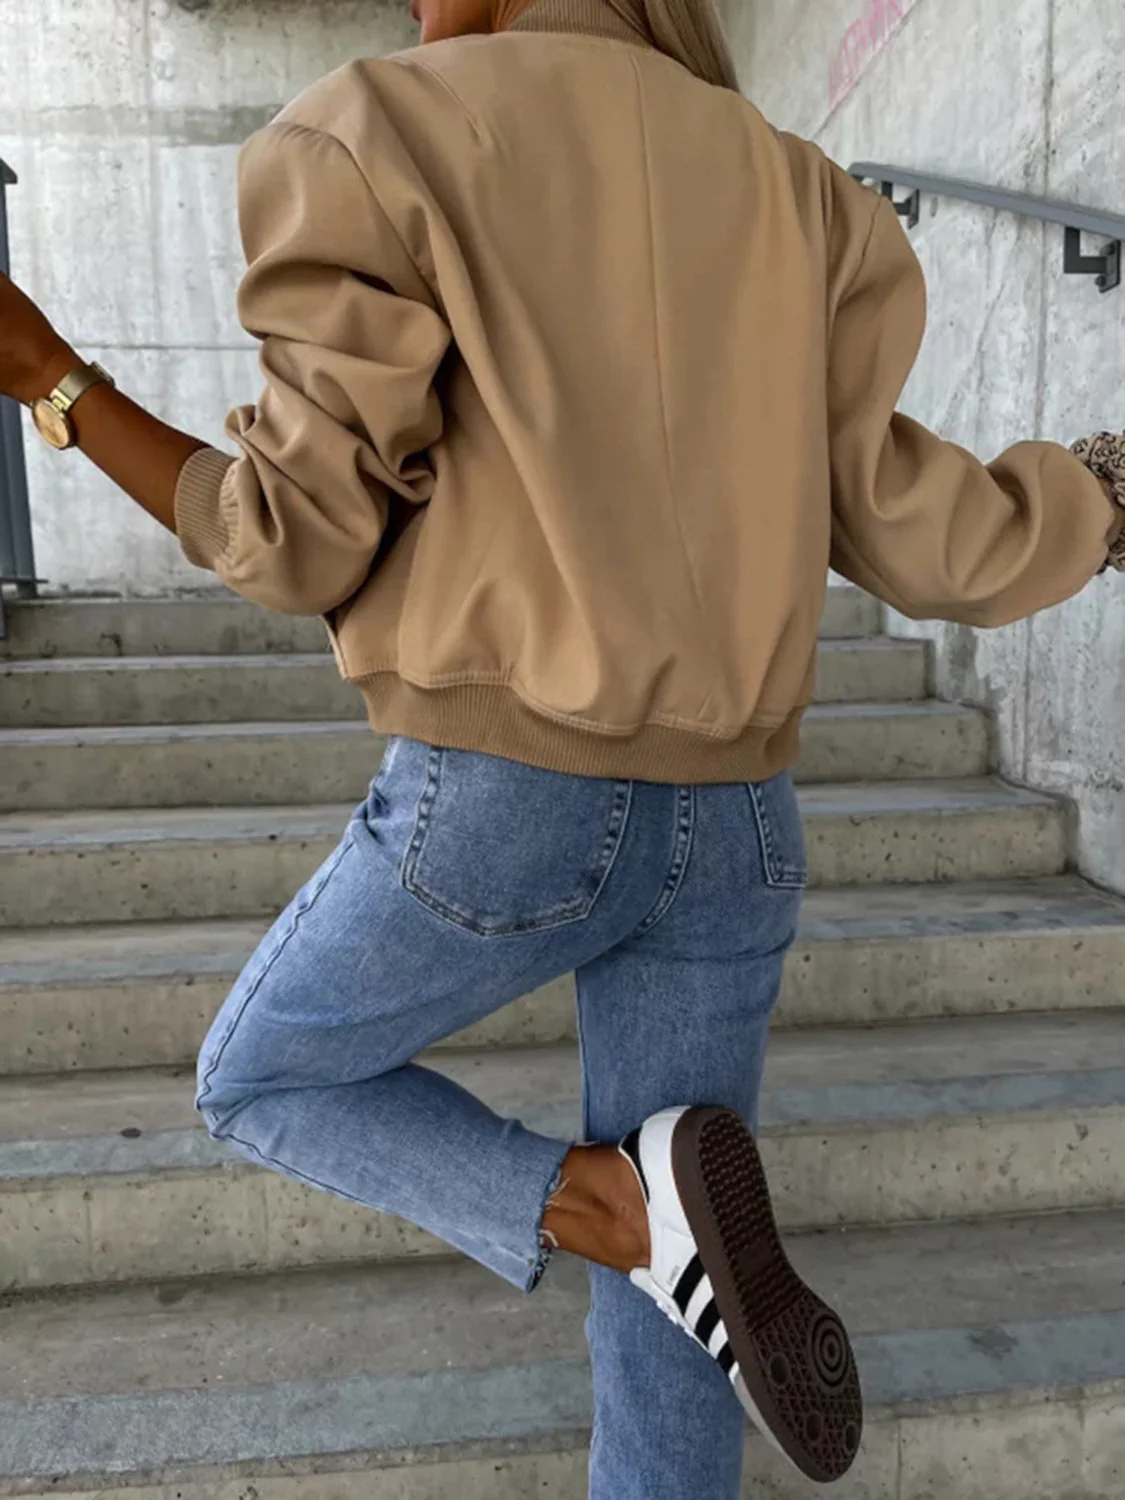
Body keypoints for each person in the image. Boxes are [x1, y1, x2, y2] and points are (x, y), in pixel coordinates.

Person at [2, 0, 1124, 1490]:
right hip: (740, 823)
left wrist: (53, 378)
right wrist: (1104, 495)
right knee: (680, 1316)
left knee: (261, 1077)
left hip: (508, 805)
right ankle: (651, 1220)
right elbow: (926, 530)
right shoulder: (798, 190)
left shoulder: (381, 132)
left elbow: (291, 537)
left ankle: (605, 1203)